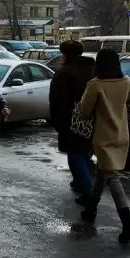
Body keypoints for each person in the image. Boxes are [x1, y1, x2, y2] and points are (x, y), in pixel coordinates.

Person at [79, 48, 130, 243]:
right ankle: (91, 209)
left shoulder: (95, 85)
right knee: (104, 172)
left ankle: (127, 222)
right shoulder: (126, 82)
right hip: (122, 135)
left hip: (103, 138)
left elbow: (84, 111)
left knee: (112, 176)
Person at [48, 40, 96, 206]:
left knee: (75, 153)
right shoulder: (93, 70)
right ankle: (80, 182)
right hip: (93, 118)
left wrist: (56, 122)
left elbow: (56, 101)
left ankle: (86, 189)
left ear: (64, 55)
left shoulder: (64, 73)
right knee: (85, 150)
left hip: (71, 120)